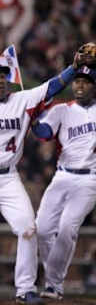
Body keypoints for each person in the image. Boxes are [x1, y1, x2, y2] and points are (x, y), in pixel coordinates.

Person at [0, 50, 85, 304]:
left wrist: (73, 68)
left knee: (28, 228)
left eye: (3, 76)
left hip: (8, 178)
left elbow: (53, 86)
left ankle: (25, 288)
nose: (0, 80)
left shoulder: (23, 100)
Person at [32, 66, 96, 300]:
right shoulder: (61, 110)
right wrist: (31, 118)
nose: (79, 85)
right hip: (62, 176)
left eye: (86, 81)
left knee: (68, 227)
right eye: (77, 81)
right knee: (42, 229)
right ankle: (53, 279)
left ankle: (53, 284)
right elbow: (43, 133)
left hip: (90, 179)